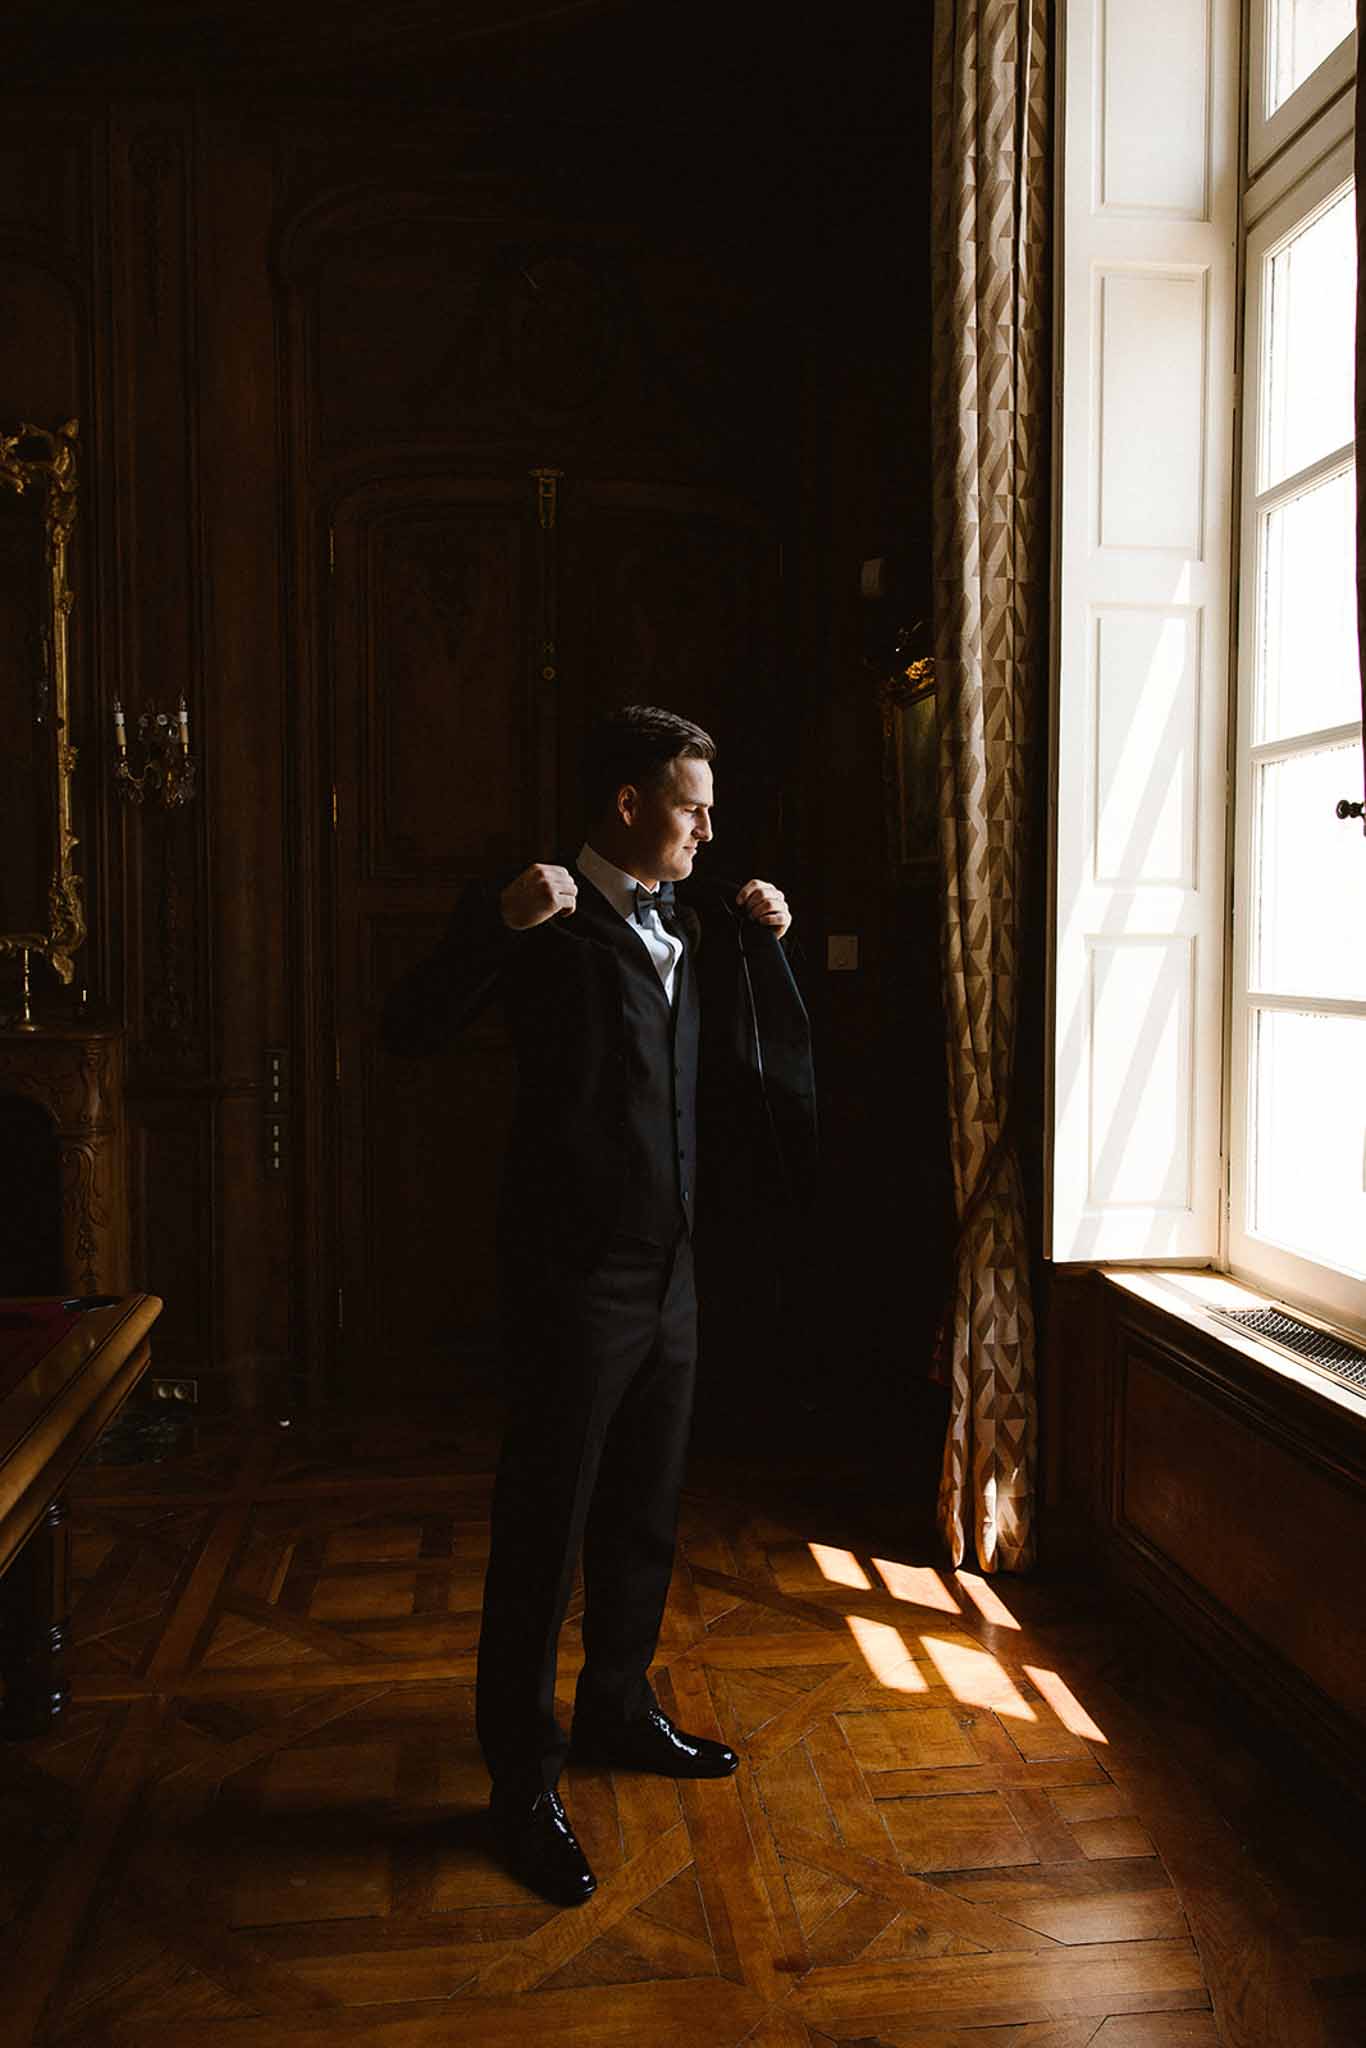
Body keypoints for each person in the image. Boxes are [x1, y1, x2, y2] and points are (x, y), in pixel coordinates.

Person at [382, 704, 816, 1906]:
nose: (708, 826)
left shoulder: (697, 919)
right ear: (628, 804)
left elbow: (754, 1067)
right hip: (573, 1281)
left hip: (673, 1271)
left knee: (642, 1512)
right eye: (691, 805)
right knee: (543, 1530)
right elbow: (406, 1028)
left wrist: (766, 939)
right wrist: (488, 928)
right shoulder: (536, 917)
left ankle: (618, 1706)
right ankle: (519, 1780)